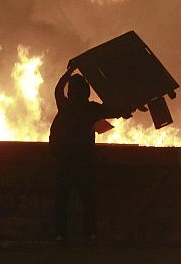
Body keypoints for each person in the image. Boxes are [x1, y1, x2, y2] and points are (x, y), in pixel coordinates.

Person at [49, 66, 132, 245]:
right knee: (88, 200)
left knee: (62, 200)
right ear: (86, 91)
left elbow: (57, 89)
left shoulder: (64, 106)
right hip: (83, 161)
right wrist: (125, 109)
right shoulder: (90, 109)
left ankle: (60, 234)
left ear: (71, 91)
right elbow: (112, 111)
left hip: (64, 160)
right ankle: (91, 234)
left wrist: (68, 72)